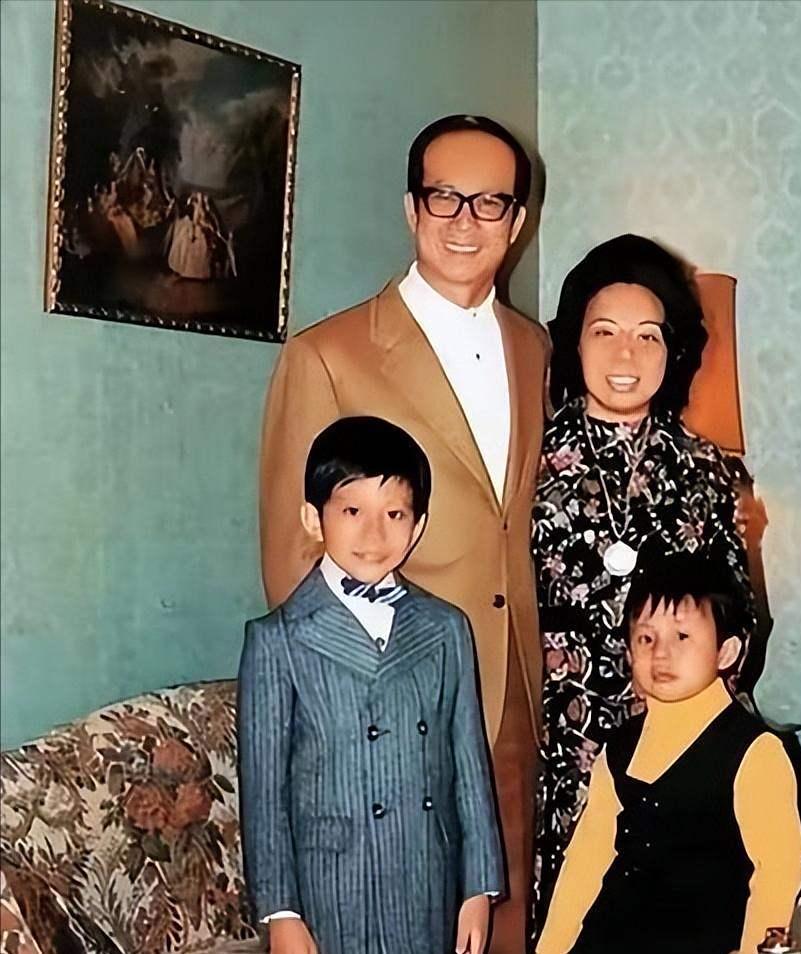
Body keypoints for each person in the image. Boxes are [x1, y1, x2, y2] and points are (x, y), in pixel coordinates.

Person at [258, 114, 548, 953]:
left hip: (510, 691)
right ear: (410, 209)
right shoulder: (328, 355)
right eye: (444, 197)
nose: (465, 220)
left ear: (516, 222)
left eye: (490, 202)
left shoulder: (536, 349)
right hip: (381, 706)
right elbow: (293, 557)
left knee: (501, 923)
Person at [530, 234, 756, 938]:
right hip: (565, 754)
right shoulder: (523, 465)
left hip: (682, 752)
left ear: (672, 350)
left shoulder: (707, 471)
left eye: (647, 335)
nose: (625, 355)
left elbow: (741, 621)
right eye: (604, 332)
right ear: (574, 343)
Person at [239, 416, 504, 954]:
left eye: (395, 514)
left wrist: (478, 886)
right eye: (352, 511)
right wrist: (281, 912)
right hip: (332, 886)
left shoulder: (446, 628)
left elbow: (469, 768)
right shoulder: (278, 639)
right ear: (313, 519)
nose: (374, 535)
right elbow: (265, 794)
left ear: (418, 525)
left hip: (426, 877)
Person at [535, 542, 801, 954]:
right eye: (646, 638)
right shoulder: (619, 749)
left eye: (682, 636)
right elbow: (585, 862)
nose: (661, 653)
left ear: (726, 651)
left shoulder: (755, 752)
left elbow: (778, 871)